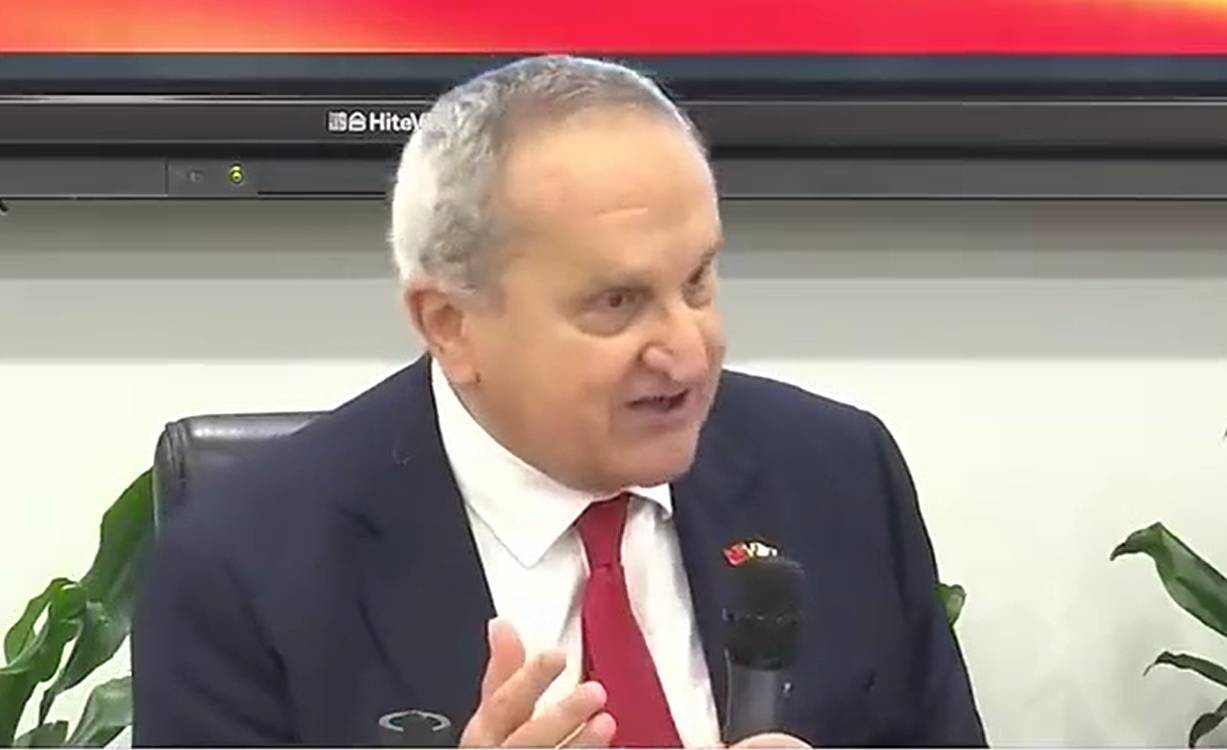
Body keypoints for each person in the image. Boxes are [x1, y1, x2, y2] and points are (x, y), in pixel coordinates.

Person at [131, 54, 986, 748]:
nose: (687, 349)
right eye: (616, 302)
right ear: (451, 326)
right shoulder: (243, 572)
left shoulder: (836, 476)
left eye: (697, 281)